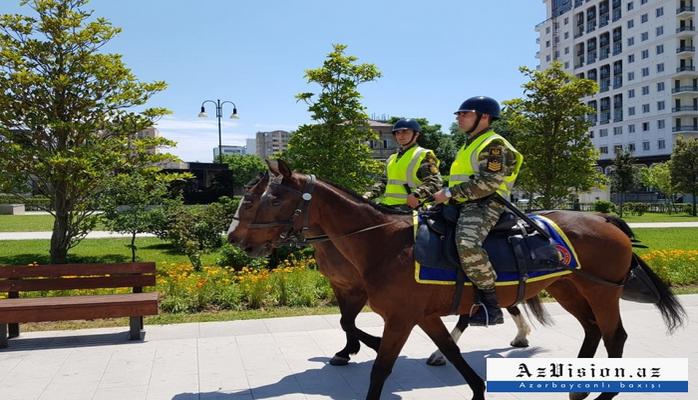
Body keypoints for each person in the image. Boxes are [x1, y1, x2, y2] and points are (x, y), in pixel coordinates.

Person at [432, 96, 523, 326]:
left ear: (485, 117)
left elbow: (489, 182)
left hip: (487, 204)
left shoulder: (494, 144)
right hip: (463, 202)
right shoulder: (468, 144)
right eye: (458, 114)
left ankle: (491, 305)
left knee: (467, 243)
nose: (459, 118)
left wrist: (450, 194)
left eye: (465, 114)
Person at [364, 118, 442, 210]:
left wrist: (416, 194)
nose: (401, 136)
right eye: (397, 133)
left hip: (410, 208)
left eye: (405, 132)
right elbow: (383, 182)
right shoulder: (391, 158)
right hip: (386, 205)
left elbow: (435, 182)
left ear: (416, 134)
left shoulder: (424, 154)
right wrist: (366, 196)